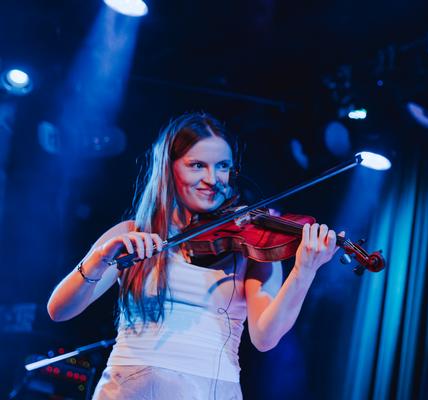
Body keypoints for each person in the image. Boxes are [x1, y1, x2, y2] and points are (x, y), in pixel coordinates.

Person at [46, 112, 341, 399]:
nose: (213, 179)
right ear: (169, 168)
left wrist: (304, 272)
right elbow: (59, 311)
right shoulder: (131, 233)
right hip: (129, 390)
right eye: (197, 165)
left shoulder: (250, 245)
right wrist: (99, 260)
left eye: (223, 166)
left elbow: (265, 337)